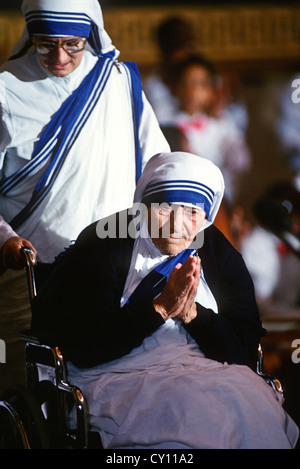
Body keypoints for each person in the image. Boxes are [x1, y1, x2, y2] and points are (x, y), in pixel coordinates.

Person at [31, 152, 298, 449]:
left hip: (211, 372)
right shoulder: (104, 243)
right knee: (193, 416)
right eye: (165, 208)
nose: (176, 224)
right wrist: (158, 309)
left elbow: (244, 347)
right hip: (121, 374)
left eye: (192, 213)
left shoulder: (218, 252)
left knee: (251, 408)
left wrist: (193, 315)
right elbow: (83, 346)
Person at [0, 0, 169, 393]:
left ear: (90, 34)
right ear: (30, 37)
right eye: (45, 44)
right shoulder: (7, 90)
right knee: (26, 390)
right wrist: (5, 239)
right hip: (28, 270)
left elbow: (158, 161)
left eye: (72, 44)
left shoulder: (118, 83)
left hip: (112, 265)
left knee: (109, 387)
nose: (59, 56)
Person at [170, 54, 250, 206]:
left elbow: (240, 162)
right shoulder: (168, 124)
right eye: (186, 83)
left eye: (200, 84)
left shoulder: (221, 126)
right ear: (176, 88)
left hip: (217, 198)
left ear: (212, 92)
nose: (192, 89)